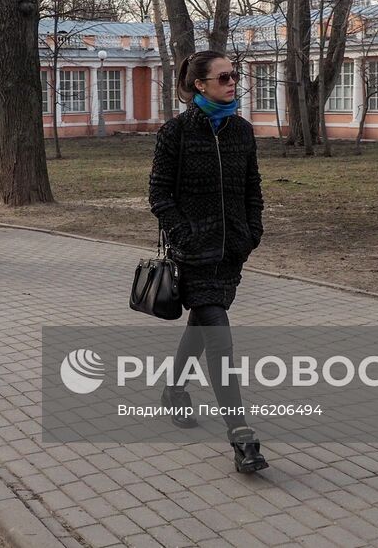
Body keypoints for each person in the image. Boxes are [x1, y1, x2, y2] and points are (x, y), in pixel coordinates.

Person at [148, 50, 268, 474]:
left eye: (234, 75)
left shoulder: (242, 131)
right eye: (224, 77)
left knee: (202, 326)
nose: (233, 82)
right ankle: (242, 437)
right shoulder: (176, 133)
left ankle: (173, 391)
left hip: (232, 252)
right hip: (194, 254)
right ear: (200, 84)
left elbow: (252, 187)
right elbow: (159, 193)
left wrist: (252, 232)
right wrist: (185, 235)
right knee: (219, 339)